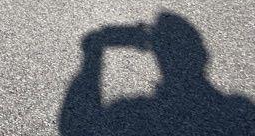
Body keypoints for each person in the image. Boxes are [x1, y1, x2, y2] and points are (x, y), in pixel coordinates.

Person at [60, 12, 255, 135]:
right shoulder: (240, 109)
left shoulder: (130, 112)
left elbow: (73, 126)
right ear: (203, 55)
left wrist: (94, 50)